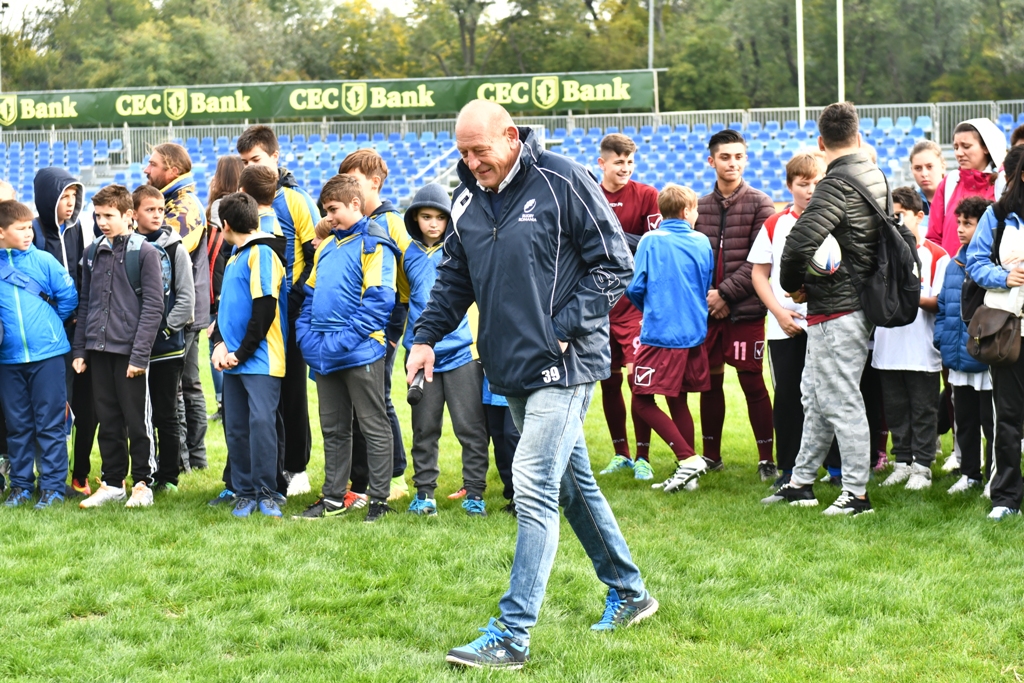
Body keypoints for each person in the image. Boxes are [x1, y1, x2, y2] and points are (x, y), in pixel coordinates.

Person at [407, 100, 655, 670]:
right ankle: (630, 591)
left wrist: (564, 328)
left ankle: (512, 634)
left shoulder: (563, 179)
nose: (472, 162)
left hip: (566, 363)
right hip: (509, 365)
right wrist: (424, 337)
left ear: (511, 136)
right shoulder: (465, 196)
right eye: (463, 153)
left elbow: (615, 264)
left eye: (480, 150)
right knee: (572, 486)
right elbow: (455, 277)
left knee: (533, 482)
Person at [766, 101, 885, 516]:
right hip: (849, 303)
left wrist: (793, 286)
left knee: (840, 399)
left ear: (821, 142)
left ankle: (857, 494)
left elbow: (799, 243)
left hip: (839, 307)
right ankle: (801, 483)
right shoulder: (874, 174)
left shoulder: (836, 183)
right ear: (858, 135)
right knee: (815, 397)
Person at [294, 174, 398, 522]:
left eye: (333, 209)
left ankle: (379, 500)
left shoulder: (375, 244)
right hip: (325, 354)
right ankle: (333, 498)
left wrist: (343, 340)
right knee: (333, 428)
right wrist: (308, 337)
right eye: (325, 211)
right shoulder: (326, 247)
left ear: (355, 204)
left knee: (373, 425)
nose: (329, 217)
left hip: (361, 351)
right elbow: (309, 297)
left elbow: (380, 300)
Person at [236, 125, 318, 498]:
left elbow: (315, 252)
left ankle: (297, 467)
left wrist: (296, 297)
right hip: (258, 313)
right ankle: (259, 473)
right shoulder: (243, 204)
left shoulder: (296, 200)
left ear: (275, 156)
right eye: (244, 162)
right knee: (259, 395)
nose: (249, 167)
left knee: (292, 391)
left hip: (292, 314)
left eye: (255, 159)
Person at [399, 183, 490, 517]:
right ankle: (424, 494)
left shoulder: (460, 250)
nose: (434, 223)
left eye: (440, 217)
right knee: (424, 429)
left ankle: (475, 493)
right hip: (420, 359)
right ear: (415, 218)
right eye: (426, 217)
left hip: (461, 354)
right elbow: (405, 299)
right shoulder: (407, 255)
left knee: (470, 428)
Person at [694, 129, 777, 480]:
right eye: (725, 157)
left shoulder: (761, 203)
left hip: (746, 311)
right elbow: (694, 260)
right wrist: (711, 297)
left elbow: (760, 262)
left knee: (752, 383)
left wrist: (724, 294)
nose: (733, 163)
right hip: (709, 312)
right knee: (710, 384)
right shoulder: (698, 206)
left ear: (746, 159)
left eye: (739, 157)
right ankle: (711, 456)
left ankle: (766, 459)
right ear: (711, 161)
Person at [73, 185, 164, 509]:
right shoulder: (91, 253)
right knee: (108, 420)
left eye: (108, 215)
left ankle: (143, 483)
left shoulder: (146, 253)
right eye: (98, 215)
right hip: (99, 352)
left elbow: (153, 306)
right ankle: (113, 483)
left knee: (137, 421)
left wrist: (139, 356)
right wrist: (80, 350)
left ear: (128, 215)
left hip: (130, 354)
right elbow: (86, 303)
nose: (102, 222)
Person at [625, 184, 713, 491]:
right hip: (694, 332)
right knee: (678, 398)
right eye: (696, 210)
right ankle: (688, 477)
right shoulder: (702, 240)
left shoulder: (650, 240)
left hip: (661, 334)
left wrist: (653, 309)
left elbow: (635, 286)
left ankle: (688, 459)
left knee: (641, 398)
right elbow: (705, 282)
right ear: (687, 211)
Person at [336, 149, 412, 501]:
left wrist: (395, 331)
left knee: (379, 399)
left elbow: (408, 281)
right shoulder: (351, 225)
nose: (349, 187)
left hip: (384, 328)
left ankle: (396, 477)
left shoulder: (392, 223)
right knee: (358, 403)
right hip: (356, 326)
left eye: (354, 181)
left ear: (375, 182)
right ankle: (361, 480)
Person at [748, 152, 825, 489]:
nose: (810, 190)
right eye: (803, 184)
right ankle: (789, 468)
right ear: (789, 185)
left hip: (825, 324)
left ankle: (835, 467)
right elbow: (759, 274)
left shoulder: (836, 220)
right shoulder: (775, 223)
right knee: (789, 398)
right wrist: (779, 313)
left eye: (817, 183)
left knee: (828, 396)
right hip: (785, 328)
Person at [210, 192, 287, 519]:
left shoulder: (263, 254)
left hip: (261, 359)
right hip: (234, 361)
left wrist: (240, 353)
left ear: (226, 224)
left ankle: (267, 492)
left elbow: (264, 309)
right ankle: (243, 492)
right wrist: (219, 343)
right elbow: (225, 310)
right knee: (237, 427)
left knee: (261, 425)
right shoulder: (235, 256)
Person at [0, 200, 78, 508]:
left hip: (48, 357)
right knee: (17, 426)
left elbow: (68, 297)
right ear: (1, 232)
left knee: (50, 424)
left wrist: (48, 326)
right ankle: (20, 487)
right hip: (8, 360)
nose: (28, 233)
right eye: (20, 229)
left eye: (29, 227)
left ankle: (53, 487)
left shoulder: (44, 260)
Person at [594, 133, 662, 480]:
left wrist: (610, 238)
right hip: (598, 304)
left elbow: (654, 242)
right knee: (609, 381)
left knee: (640, 381)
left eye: (630, 162)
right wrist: (626, 241)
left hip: (635, 304)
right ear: (602, 163)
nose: (625, 168)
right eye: (619, 162)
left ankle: (643, 456)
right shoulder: (589, 194)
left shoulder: (647, 195)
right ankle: (621, 453)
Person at [874, 187, 949, 491]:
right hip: (887, 347)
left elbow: (941, 301)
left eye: (900, 215)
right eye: (889, 216)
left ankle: (923, 466)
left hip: (922, 348)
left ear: (919, 216)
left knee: (923, 410)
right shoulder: (879, 252)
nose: (894, 222)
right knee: (895, 409)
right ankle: (902, 462)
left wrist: (908, 296)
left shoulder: (937, 256)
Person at [145, 143, 210, 473]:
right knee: (186, 386)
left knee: (181, 388)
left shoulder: (185, 207)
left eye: (153, 164)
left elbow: (164, 252)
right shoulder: (175, 201)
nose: (146, 170)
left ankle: (188, 460)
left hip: (182, 312)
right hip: (184, 309)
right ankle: (192, 459)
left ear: (172, 170)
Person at [966, 151, 1024, 520]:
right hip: (1008, 330)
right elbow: (975, 262)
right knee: (1008, 415)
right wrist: (1005, 277)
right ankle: (1005, 497)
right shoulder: (998, 215)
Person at [31, 167, 96, 497]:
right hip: (46, 334)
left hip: (77, 331)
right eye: (63, 196)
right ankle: (45, 475)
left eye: (73, 196)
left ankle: (74, 474)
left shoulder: (78, 229)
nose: (70, 203)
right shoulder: (32, 232)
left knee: (84, 406)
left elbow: (83, 279)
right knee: (52, 406)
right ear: (47, 198)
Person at [133, 184, 195, 494]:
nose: (157, 215)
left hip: (167, 348)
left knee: (165, 413)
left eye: (160, 210)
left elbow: (186, 298)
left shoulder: (175, 248)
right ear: (134, 214)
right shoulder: (128, 247)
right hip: (134, 349)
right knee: (138, 416)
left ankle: (169, 476)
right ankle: (144, 472)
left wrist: (166, 329)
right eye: (150, 210)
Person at [935, 196, 993, 495]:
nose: (959, 229)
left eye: (967, 224)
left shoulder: (994, 265)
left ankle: (994, 474)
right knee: (965, 420)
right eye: (958, 222)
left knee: (990, 421)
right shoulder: (952, 264)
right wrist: (941, 339)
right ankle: (969, 473)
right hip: (958, 356)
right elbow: (943, 307)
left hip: (985, 359)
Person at [927, 118, 1006, 258]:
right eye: (956, 147)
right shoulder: (949, 183)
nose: (959, 153)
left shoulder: (1004, 185)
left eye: (966, 146)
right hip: (950, 271)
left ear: (986, 148)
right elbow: (934, 239)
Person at [205, 155, 244, 423]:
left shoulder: (218, 206)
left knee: (217, 344)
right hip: (226, 279)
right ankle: (227, 403)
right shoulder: (242, 204)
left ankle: (224, 403)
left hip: (217, 282)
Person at [483, 376, 519, 516]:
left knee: (512, 435)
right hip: (491, 387)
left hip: (516, 384)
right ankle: (512, 494)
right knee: (499, 440)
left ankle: (522, 494)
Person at [909, 140, 945, 229]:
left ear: (943, 167)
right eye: (918, 168)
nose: (924, 174)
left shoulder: (958, 198)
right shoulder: (909, 205)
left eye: (930, 167)